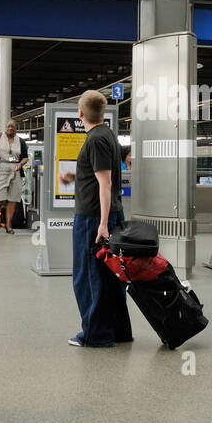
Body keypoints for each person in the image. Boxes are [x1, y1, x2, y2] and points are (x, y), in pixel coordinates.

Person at [69, 90, 131, 348]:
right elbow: (100, 175)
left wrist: (103, 224)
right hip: (110, 213)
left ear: (80, 113)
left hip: (93, 218)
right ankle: (119, 331)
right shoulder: (108, 135)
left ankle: (95, 335)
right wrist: (75, 178)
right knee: (112, 276)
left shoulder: (95, 139)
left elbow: (104, 184)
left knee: (89, 277)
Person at [0, 119, 28, 233]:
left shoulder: (21, 141)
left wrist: (20, 164)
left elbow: (25, 157)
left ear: (16, 129)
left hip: (14, 169)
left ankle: (9, 225)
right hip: (0, 168)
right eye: (8, 126)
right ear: (6, 127)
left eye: (12, 127)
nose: (10, 128)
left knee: (12, 199)